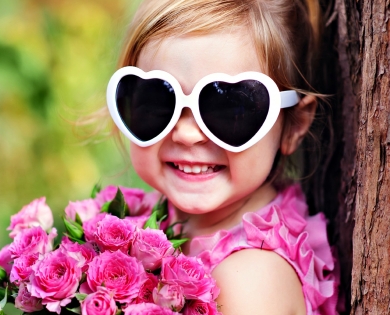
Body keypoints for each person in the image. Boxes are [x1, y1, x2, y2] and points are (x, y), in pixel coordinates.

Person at [104, 0, 339, 314]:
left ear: (293, 124)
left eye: (229, 108)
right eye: (158, 98)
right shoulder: (171, 222)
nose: (186, 134)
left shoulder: (251, 284)